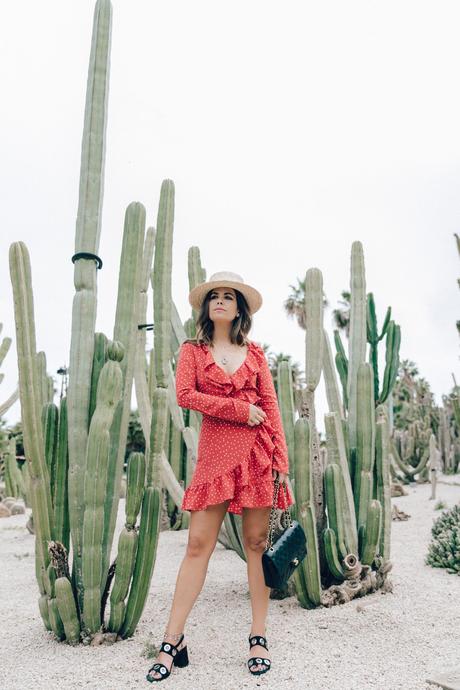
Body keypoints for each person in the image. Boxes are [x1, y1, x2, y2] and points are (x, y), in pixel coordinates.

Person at [146, 271, 294, 682]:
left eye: (229, 296)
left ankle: (258, 635)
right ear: (207, 306)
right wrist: (238, 410)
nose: (221, 301)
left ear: (240, 308)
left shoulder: (257, 353)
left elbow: (272, 407)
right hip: (215, 456)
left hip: (257, 454)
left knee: (256, 544)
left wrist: (281, 461)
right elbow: (185, 396)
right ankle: (172, 640)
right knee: (197, 545)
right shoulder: (193, 350)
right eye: (215, 296)